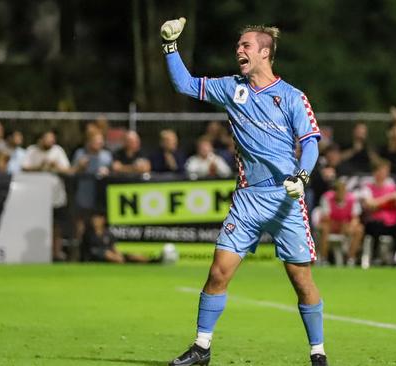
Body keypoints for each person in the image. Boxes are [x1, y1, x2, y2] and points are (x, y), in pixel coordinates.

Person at [162, 18, 327, 365]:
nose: (238, 50)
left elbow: (310, 143)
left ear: (265, 52)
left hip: (286, 198)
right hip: (248, 199)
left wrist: (302, 176)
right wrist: (170, 47)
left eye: (246, 45)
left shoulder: (293, 96)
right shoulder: (232, 88)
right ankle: (202, 347)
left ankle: (317, 353)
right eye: (238, 46)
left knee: (301, 280)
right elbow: (185, 84)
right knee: (218, 271)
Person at [22, 130, 72, 261]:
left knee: (57, 226)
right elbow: (24, 168)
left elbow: (67, 170)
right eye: (48, 138)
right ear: (40, 139)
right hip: (36, 196)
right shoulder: (32, 150)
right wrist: (40, 167)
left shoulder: (58, 151)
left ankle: (56, 253)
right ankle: (38, 253)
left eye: (52, 139)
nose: (51, 141)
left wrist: (56, 166)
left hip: (56, 196)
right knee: (36, 227)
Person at [360, 160, 396, 264]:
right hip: (374, 222)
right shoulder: (367, 187)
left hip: (391, 223)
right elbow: (370, 204)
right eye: (382, 170)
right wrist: (389, 198)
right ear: (375, 172)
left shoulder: (391, 186)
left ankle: (394, 257)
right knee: (376, 226)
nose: (385, 173)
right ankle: (375, 256)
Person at [317, 180, 364, 266]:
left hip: (345, 226)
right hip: (330, 225)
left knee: (359, 229)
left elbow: (355, 218)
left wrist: (351, 226)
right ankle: (323, 259)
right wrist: (340, 224)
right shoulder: (327, 197)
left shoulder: (352, 199)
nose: (342, 193)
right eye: (339, 190)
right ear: (335, 191)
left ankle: (350, 258)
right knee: (324, 228)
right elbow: (326, 218)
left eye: (344, 190)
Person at [82, 213, 153, 263]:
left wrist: (118, 254)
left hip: (111, 254)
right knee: (107, 253)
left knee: (134, 256)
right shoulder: (89, 233)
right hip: (96, 255)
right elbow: (91, 250)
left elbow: (114, 247)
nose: (95, 222)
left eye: (98, 220)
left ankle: (151, 261)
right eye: (94, 220)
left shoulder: (108, 233)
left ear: (103, 220)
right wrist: (108, 254)